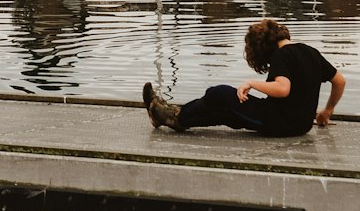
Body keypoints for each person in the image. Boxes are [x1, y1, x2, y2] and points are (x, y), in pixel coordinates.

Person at [143, 18, 344, 137]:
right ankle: (171, 117)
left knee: (219, 94)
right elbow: (339, 81)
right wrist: (327, 111)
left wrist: (251, 83)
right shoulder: (311, 52)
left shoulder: (281, 54)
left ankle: (174, 116)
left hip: (278, 124)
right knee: (227, 113)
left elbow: (283, 89)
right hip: (301, 126)